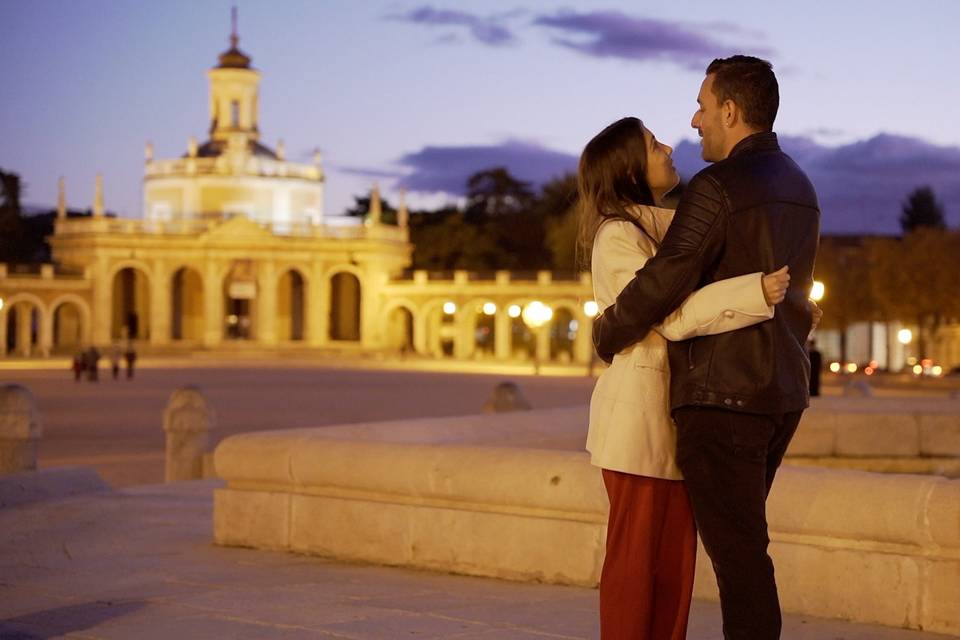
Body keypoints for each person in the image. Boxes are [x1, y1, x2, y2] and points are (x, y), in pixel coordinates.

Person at [592, 56, 820, 640]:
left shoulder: (716, 187)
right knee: (736, 552)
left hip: (723, 400)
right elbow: (792, 290)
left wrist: (607, 331)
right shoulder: (801, 186)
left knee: (737, 559)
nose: (693, 123)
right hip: (782, 394)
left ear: (730, 109)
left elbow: (664, 286)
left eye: (701, 104)